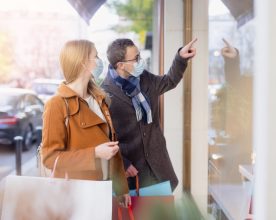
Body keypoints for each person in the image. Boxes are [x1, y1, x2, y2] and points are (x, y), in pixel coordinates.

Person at [41, 39, 131, 207]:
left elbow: (112, 147)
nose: (99, 61)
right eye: (95, 56)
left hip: (103, 189)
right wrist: (94, 153)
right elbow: (49, 158)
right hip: (76, 195)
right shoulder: (56, 104)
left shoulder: (100, 98)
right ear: (82, 62)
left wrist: (121, 188)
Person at [101, 38, 197, 191]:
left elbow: (169, 81)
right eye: (136, 58)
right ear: (120, 65)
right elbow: (102, 137)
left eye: (139, 55)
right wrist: (122, 163)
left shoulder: (144, 78)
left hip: (158, 168)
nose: (140, 61)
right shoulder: (104, 94)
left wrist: (180, 58)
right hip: (132, 172)